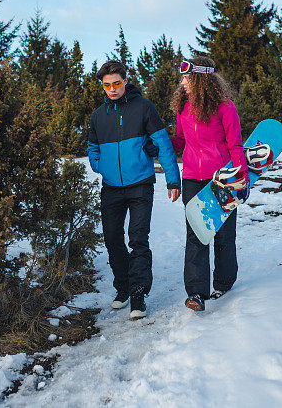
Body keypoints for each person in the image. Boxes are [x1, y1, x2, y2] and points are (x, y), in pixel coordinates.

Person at [87, 61, 181, 320]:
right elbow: (92, 146)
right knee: (112, 238)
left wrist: (173, 179)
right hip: (111, 188)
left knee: (138, 238)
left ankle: (138, 294)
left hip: (141, 185)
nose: (112, 89)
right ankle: (123, 287)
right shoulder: (98, 115)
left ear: (125, 80)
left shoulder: (143, 107)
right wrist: (99, 165)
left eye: (116, 83)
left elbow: (162, 142)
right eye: (106, 85)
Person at [170, 56, 247, 312]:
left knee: (224, 234)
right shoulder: (183, 108)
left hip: (222, 178)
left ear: (200, 79)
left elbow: (235, 145)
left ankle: (224, 281)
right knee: (196, 236)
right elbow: (181, 142)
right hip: (192, 178)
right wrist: (163, 145)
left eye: (186, 78)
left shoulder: (226, 108)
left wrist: (241, 179)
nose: (182, 83)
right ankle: (196, 292)